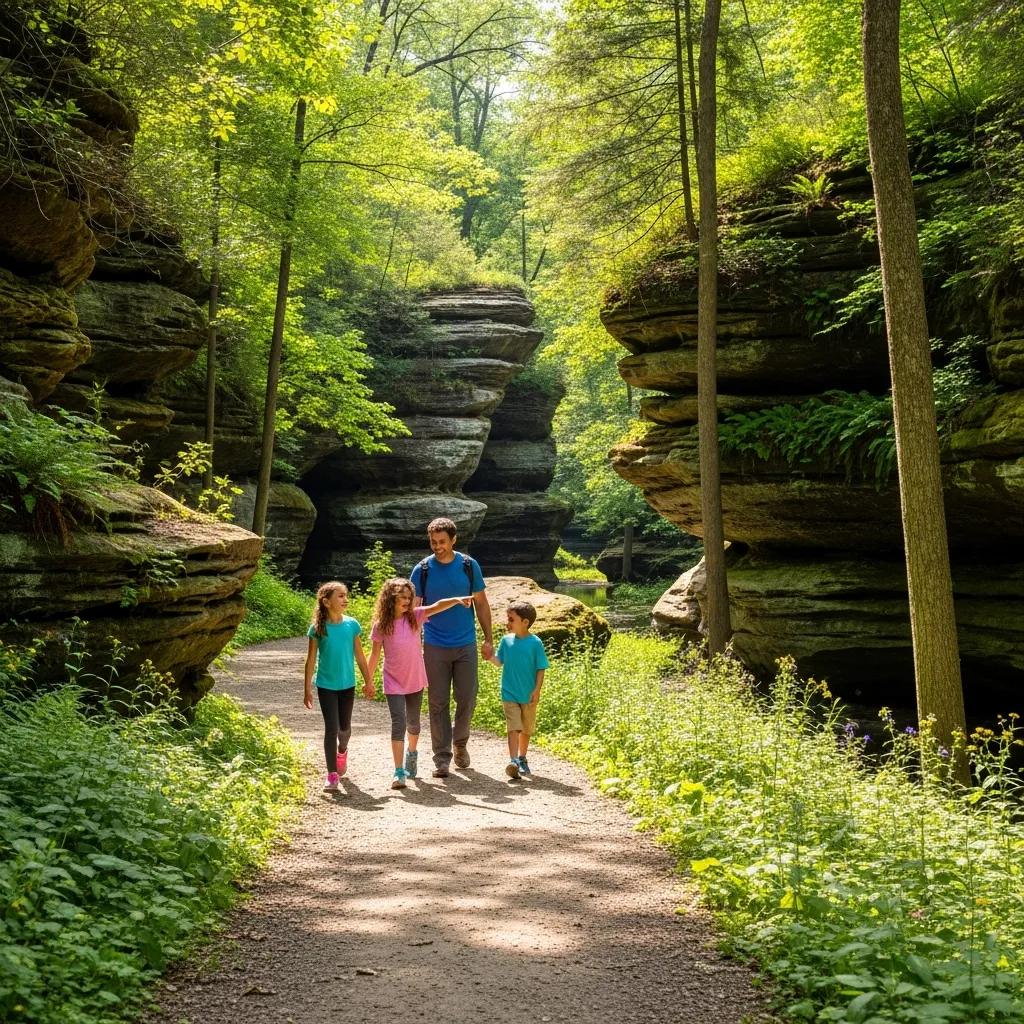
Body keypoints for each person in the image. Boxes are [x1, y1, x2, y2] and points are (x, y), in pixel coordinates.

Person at [367, 578, 473, 790]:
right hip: (393, 680)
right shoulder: (381, 626)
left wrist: (456, 599)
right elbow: (375, 654)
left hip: (414, 679)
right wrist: (368, 680)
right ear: (390, 599)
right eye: (402, 597)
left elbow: (436, 606)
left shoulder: (415, 617)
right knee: (399, 723)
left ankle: (412, 754)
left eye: (409, 597)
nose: (407, 601)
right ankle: (398, 771)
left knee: (413, 723)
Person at [410, 516, 494, 778]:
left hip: (465, 643)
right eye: (433, 542)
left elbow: (481, 603)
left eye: (442, 542)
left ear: (454, 539)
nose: (437, 546)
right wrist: (411, 645)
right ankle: (442, 758)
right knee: (437, 702)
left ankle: (460, 743)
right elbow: (414, 610)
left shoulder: (469, 566)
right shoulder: (422, 569)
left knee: (467, 697)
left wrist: (488, 638)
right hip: (434, 644)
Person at [304, 581, 374, 792]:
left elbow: (360, 656)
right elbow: (310, 660)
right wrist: (307, 688)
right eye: (340, 596)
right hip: (325, 684)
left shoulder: (351, 625)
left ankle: (342, 751)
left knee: (344, 729)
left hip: (347, 685)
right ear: (326, 602)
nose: (346, 599)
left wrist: (368, 680)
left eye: (346, 595)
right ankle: (332, 774)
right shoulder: (318, 628)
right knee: (331, 728)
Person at [484, 600, 550, 780]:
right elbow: (499, 662)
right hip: (509, 692)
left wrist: (537, 690)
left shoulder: (535, 643)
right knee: (513, 727)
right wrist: (489, 656)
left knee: (526, 729)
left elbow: (540, 668)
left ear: (525, 622)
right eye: (508, 618)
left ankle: (522, 757)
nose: (508, 623)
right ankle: (513, 761)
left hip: (528, 694)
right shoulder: (506, 640)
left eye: (511, 619)